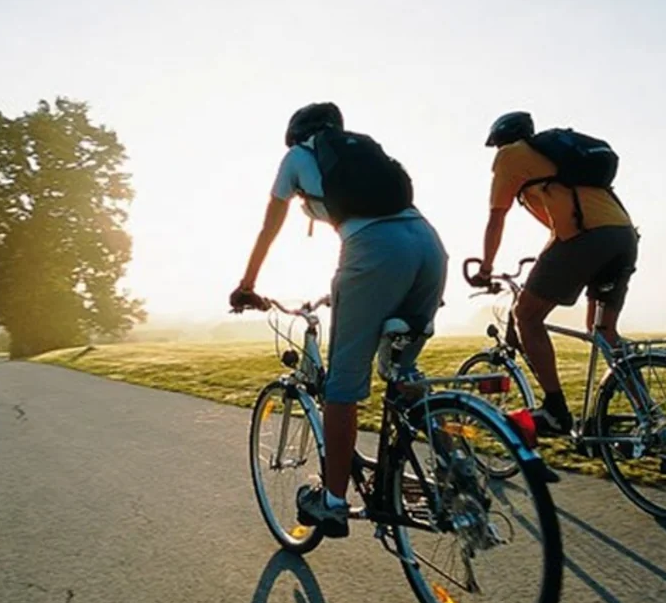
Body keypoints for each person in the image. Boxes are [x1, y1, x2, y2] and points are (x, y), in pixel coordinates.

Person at [230, 102, 448, 537]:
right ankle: (454, 470)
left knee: (342, 388)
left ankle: (331, 502)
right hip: (429, 246)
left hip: (374, 251)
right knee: (401, 372)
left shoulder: (297, 158)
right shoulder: (363, 155)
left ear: (295, 134)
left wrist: (246, 286)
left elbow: (268, 228)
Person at [475, 110, 638, 436]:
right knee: (603, 332)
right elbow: (559, 226)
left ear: (501, 141)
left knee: (527, 316)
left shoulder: (511, 156)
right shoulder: (558, 164)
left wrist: (486, 268)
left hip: (588, 238)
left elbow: (497, 217)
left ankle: (554, 411)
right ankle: (647, 411)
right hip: (623, 235)